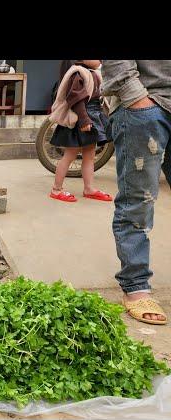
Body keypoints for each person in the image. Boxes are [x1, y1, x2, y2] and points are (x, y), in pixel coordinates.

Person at [101, 60, 171, 325]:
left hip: (147, 106)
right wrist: (135, 97)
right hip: (147, 105)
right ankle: (136, 285)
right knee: (138, 203)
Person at [48, 60, 113, 203]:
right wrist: (84, 120)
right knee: (70, 155)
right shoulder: (78, 73)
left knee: (90, 155)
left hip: (92, 116)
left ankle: (89, 188)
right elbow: (75, 98)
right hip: (80, 118)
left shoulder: (92, 73)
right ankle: (56, 189)